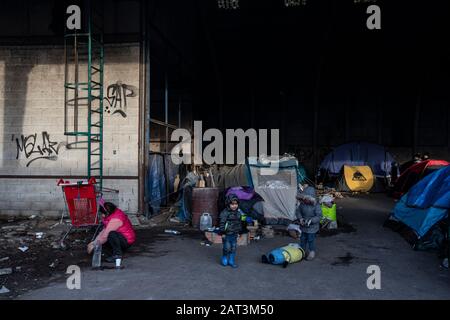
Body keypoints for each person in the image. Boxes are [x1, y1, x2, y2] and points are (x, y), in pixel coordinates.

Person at [296, 186, 322, 261]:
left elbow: (319, 216)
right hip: (303, 225)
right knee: (303, 239)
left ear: (311, 198)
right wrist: (300, 218)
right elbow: (298, 212)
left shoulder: (316, 206)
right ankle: (302, 251)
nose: (305, 200)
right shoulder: (302, 204)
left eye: (307, 199)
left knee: (311, 239)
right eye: (304, 198)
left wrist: (312, 220)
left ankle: (312, 252)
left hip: (312, 227)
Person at [218, 194, 244, 268]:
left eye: (236, 204)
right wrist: (222, 232)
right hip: (226, 234)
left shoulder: (238, 213)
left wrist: (240, 232)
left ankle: (231, 260)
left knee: (233, 247)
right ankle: (225, 257)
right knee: (227, 247)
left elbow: (239, 223)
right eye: (232, 204)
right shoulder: (224, 213)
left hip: (234, 234)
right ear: (228, 204)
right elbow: (221, 223)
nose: (234, 206)